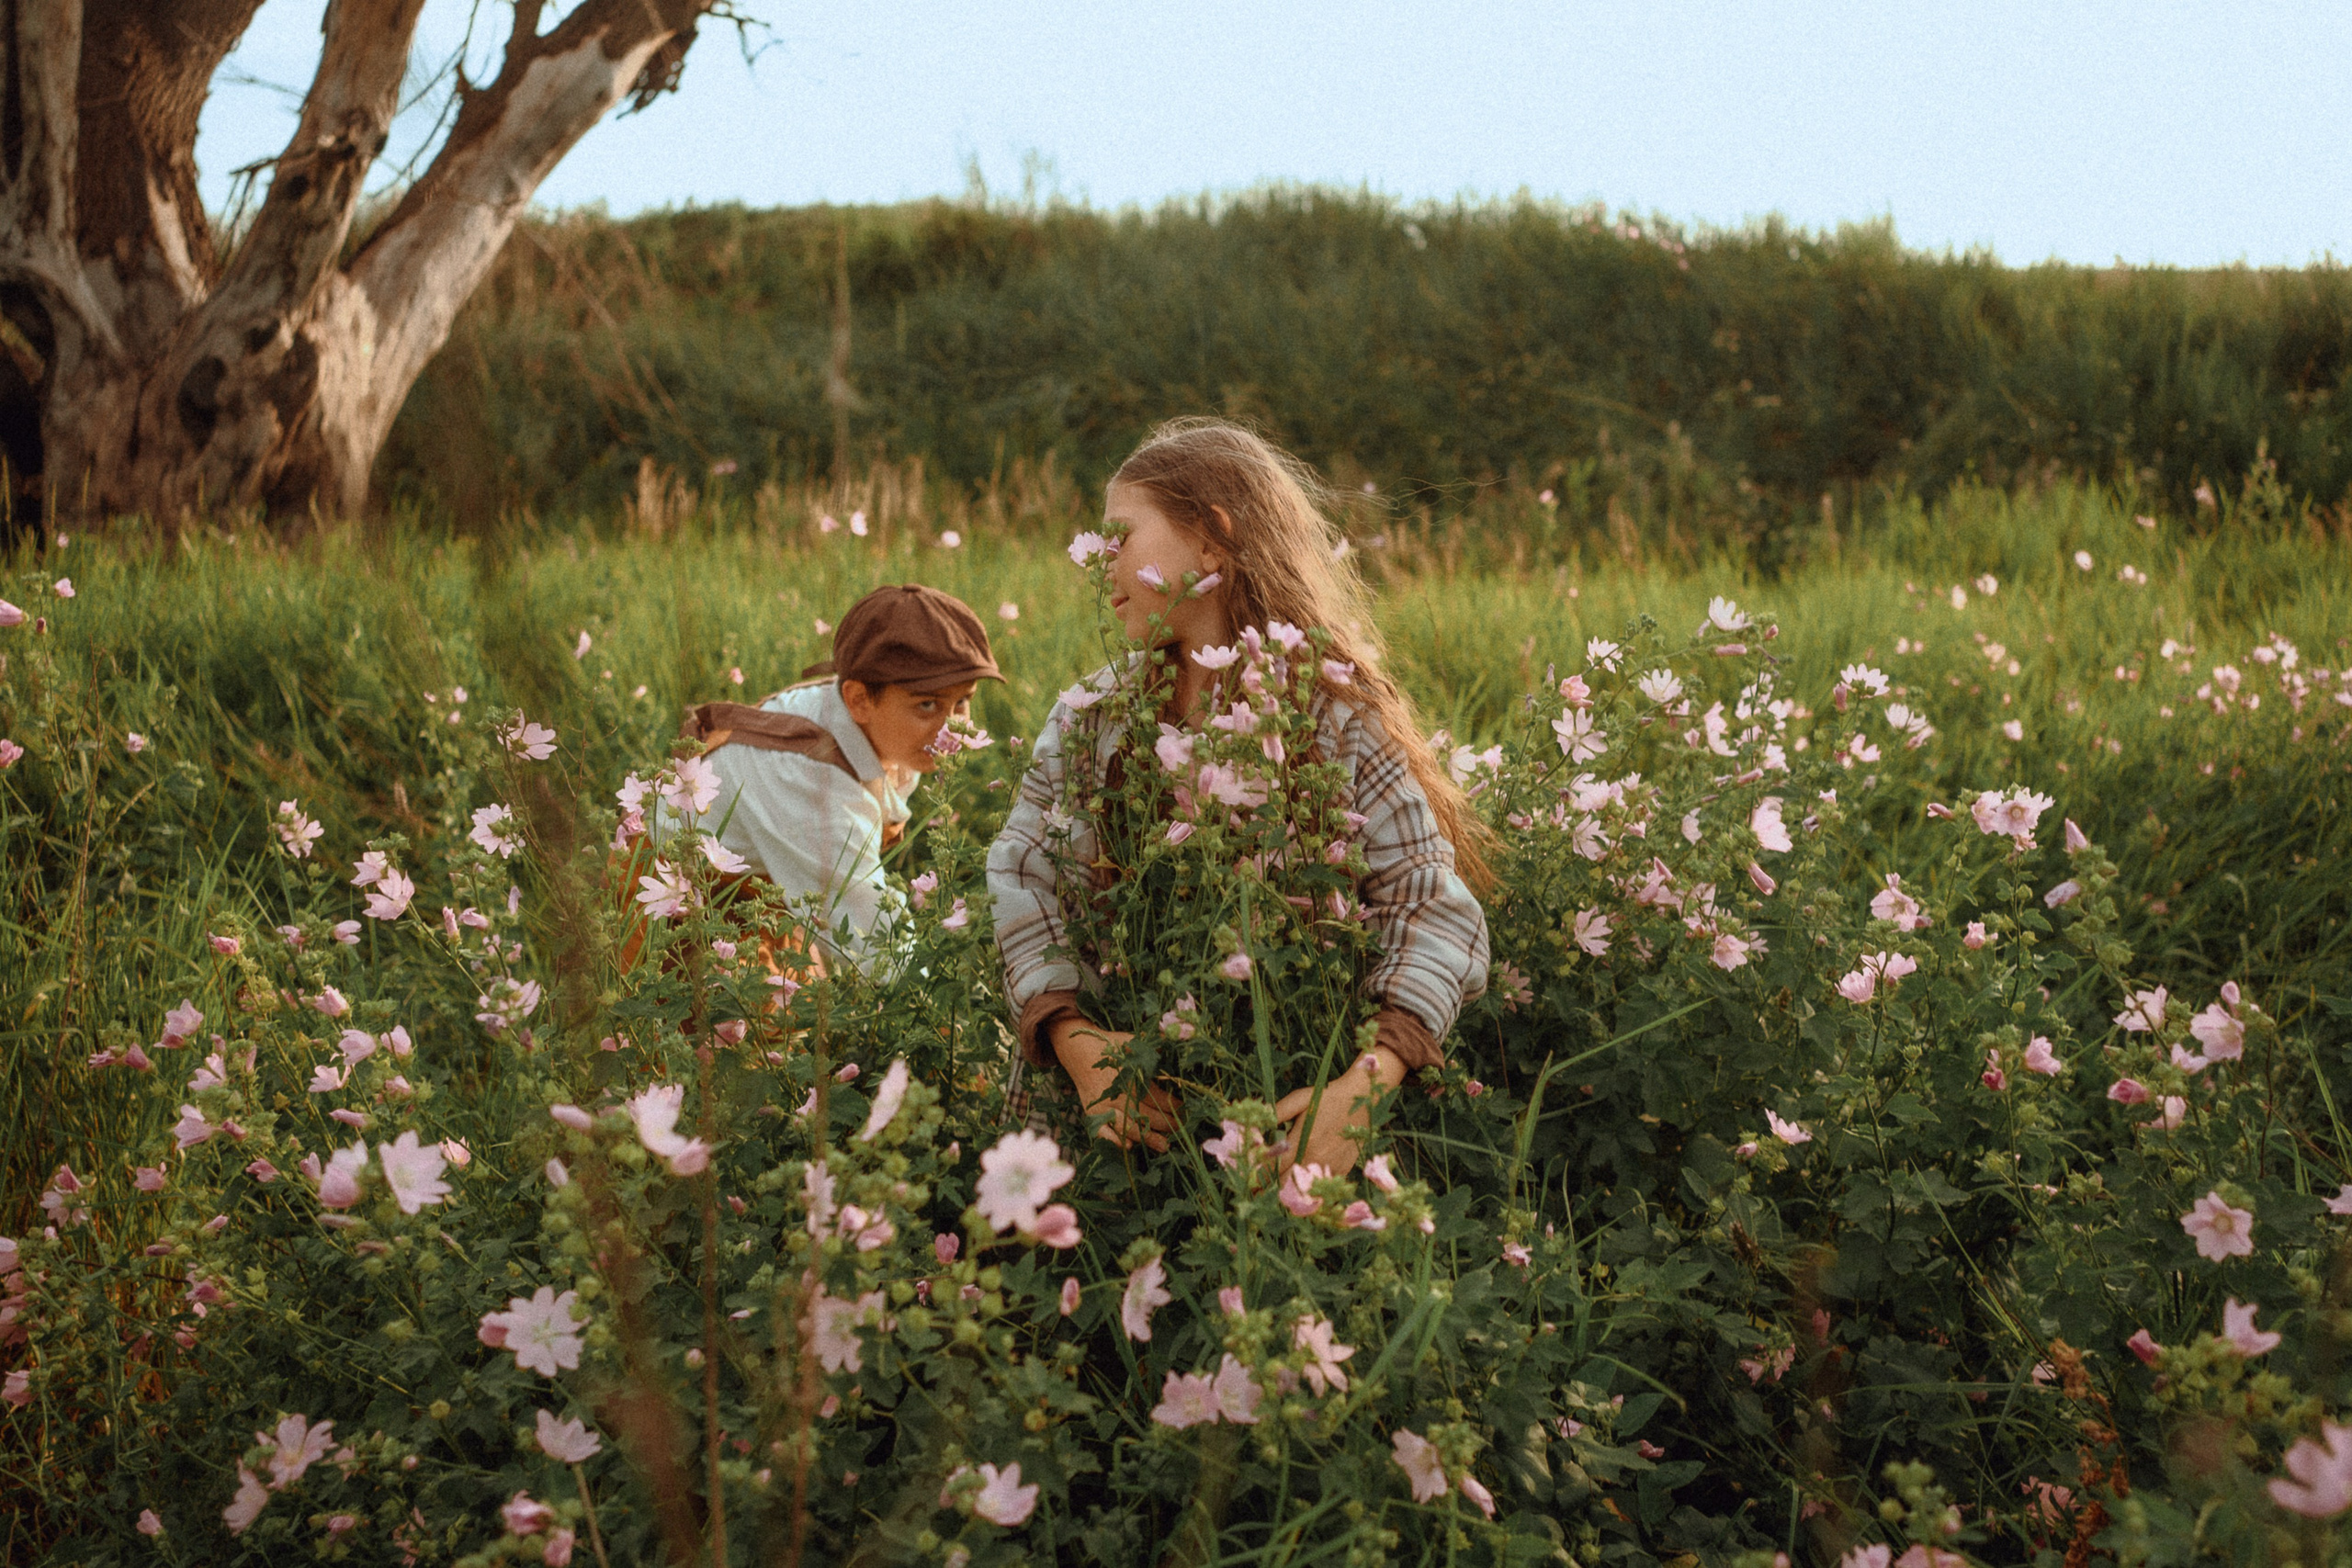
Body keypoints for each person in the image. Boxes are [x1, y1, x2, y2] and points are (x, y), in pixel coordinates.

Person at [989, 419, 1491, 1174]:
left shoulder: (1331, 717)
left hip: (1297, 1120)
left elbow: (1433, 908)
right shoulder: (1091, 718)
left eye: (1119, 537)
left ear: (1211, 541)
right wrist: (1077, 1043)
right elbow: (1023, 880)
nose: (1100, 563)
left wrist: (1367, 1081)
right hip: (1109, 1131)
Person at [663, 583, 1001, 970]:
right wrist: (953, 1012)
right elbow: (878, 949)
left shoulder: (888, 729)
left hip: (763, 892)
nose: (953, 728)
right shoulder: (808, 778)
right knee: (764, 1018)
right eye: (928, 704)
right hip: (675, 913)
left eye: (963, 702)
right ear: (859, 700)